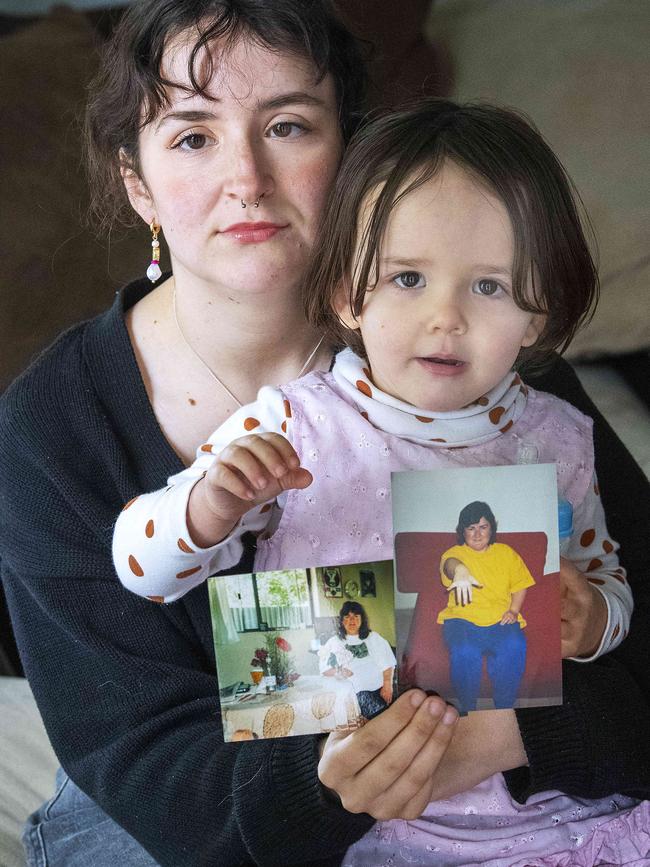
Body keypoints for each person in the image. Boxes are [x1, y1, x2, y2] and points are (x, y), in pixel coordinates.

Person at [0, 0, 648, 861]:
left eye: (291, 126)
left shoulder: (490, 372)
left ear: (352, 149)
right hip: (195, 813)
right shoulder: (54, 425)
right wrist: (333, 787)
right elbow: (146, 759)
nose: (248, 179)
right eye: (194, 136)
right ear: (137, 182)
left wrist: (504, 732)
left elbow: (626, 646)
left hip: (508, 801)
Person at [438, 501, 535, 715]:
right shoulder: (452, 554)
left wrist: (514, 611)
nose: (477, 533)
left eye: (483, 526)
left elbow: (520, 585)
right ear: (462, 532)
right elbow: (449, 565)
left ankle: (504, 707)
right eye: (471, 528)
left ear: (492, 528)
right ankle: (468, 708)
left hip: (501, 619)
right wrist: (461, 571)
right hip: (462, 620)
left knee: (515, 646)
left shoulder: (506, 553)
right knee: (464, 652)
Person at [319, 601, 396, 719]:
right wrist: (339, 671)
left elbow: (388, 663)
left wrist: (387, 685)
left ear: (362, 619)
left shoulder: (374, 638)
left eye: (356, 616)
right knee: (384, 718)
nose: (352, 620)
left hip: (380, 689)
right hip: (355, 694)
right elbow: (324, 669)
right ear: (341, 621)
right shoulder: (334, 641)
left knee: (396, 713)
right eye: (347, 617)